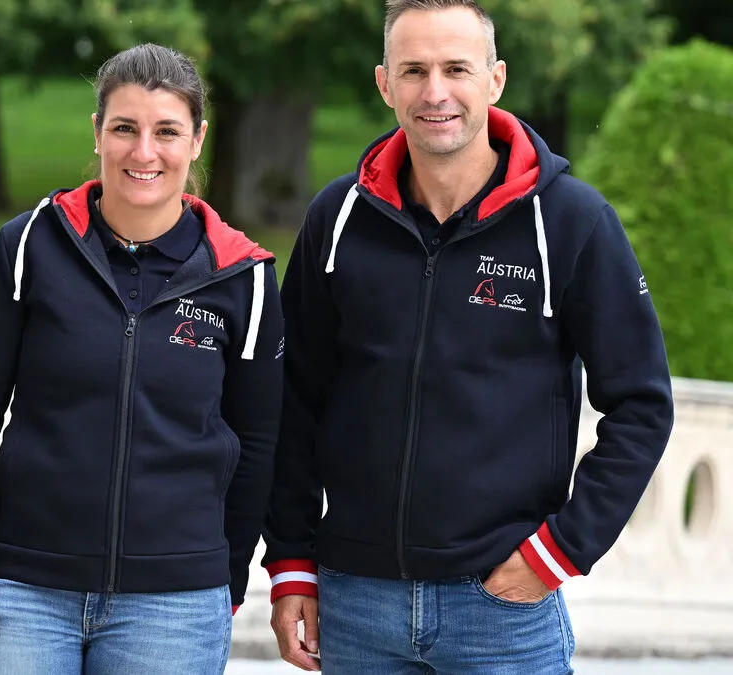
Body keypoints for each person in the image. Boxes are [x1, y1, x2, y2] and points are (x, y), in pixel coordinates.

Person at [262, 1, 674, 673]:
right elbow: (291, 399)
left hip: (501, 609)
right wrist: (290, 561)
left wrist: (559, 551)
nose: (435, 92)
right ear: (385, 84)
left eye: (456, 69)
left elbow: (642, 405)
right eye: (413, 70)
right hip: (355, 601)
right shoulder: (336, 219)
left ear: (495, 79)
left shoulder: (571, 221)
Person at [0, 43, 284, 675]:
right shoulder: (28, 246)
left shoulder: (243, 277)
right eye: (124, 128)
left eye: (166, 131)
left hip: (174, 604)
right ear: (97, 133)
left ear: (197, 140)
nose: (144, 152)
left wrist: (220, 579)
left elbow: (257, 443)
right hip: (21, 589)